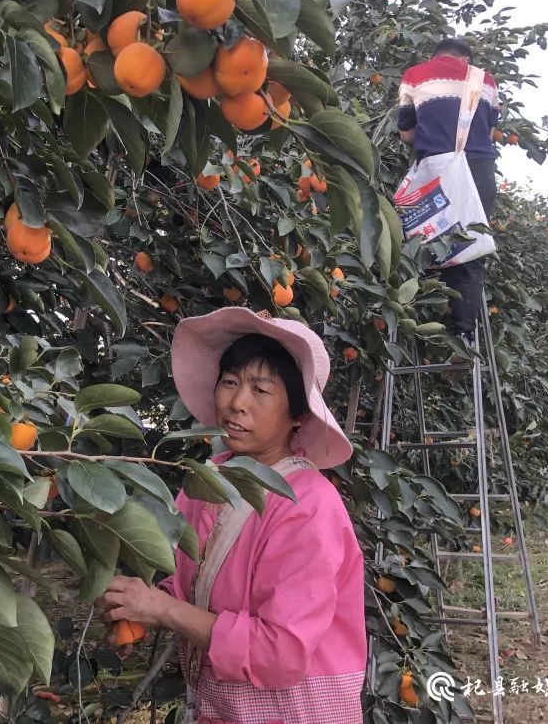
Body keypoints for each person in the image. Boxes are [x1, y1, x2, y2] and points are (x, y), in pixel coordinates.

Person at [100, 307, 367, 724]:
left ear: (297, 414)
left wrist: (163, 610)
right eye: (229, 383)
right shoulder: (207, 482)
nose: (237, 403)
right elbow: (189, 579)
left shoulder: (309, 507)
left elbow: (279, 652)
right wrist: (140, 610)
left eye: (261, 391)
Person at [398, 37, 500, 342]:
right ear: (466, 60)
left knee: (420, 241)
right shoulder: (487, 81)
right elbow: (490, 132)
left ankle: (405, 318)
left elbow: (406, 135)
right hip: (478, 168)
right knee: (470, 247)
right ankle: (463, 336)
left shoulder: (414, 76)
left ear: (436, 56)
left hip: (435, 169)